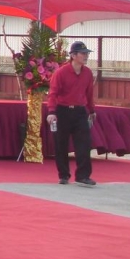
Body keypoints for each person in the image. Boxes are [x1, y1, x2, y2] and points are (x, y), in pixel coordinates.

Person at [46, 41, 97, 186]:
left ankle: (83, 175)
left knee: (84, 144)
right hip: (62, 111)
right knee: (61, 144)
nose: (86, 56)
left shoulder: (87, 73)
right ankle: (63, 175)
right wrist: (51, 111)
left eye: (87, 53)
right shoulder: (61, 73)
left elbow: (89, 93)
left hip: (80, 111)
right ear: (73, 55)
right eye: (83, 53)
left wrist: (91, 110)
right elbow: (53, 93)